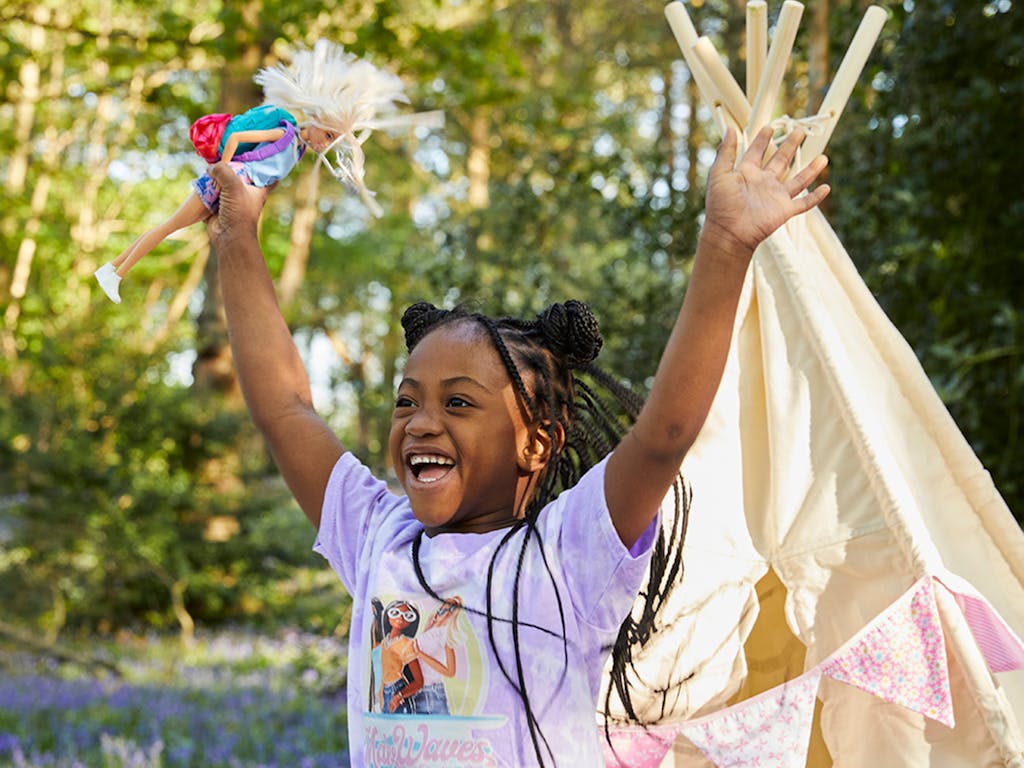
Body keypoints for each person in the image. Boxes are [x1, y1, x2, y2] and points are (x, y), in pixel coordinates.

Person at [204, 124, 829, 766]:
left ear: (537, 444)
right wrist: (236, 237)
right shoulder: (376, 539)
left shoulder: (568, 551)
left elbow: (663, 437)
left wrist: (725, 244)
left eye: (458, 403)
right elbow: (285, 409)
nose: (419, 422)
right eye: (407, 400)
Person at [94, 39, 442, 304]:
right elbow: (243, 137)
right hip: (223, 186)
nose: (328, 144)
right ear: (318, 123)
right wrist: (222, 169)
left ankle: (111, 270)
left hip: (233, 191)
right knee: (169, 226)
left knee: (171, 226)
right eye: (329, 135)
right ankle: (117, 273)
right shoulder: (287, 133)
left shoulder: (300, 148)